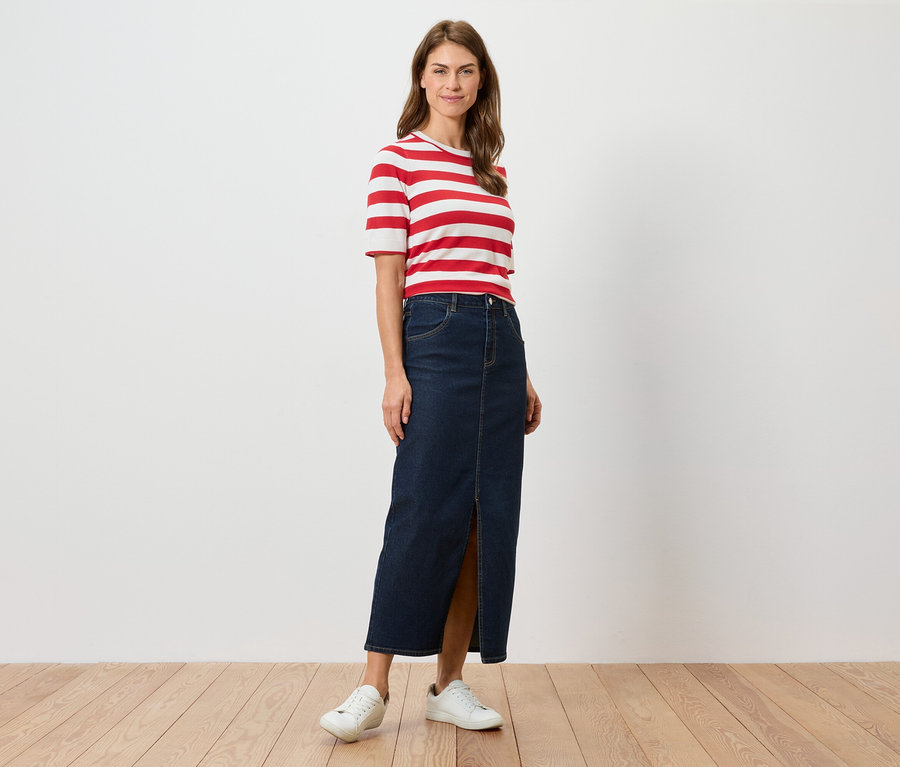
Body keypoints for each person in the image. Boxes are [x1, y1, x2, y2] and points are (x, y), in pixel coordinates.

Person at [320, 19, 541, 743]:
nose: (453, 83)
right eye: (441, 69)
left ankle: (449, 684)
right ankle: (373, 685)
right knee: (421, 508)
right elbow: (389, 278)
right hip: (435, 338)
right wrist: (395, 372)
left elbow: (498, 278)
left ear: (482, 81)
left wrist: (522, 372)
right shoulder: (397, 162)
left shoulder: (491, 172)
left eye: (466, 70)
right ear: (422, 78)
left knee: (483, 517)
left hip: (499, 342)